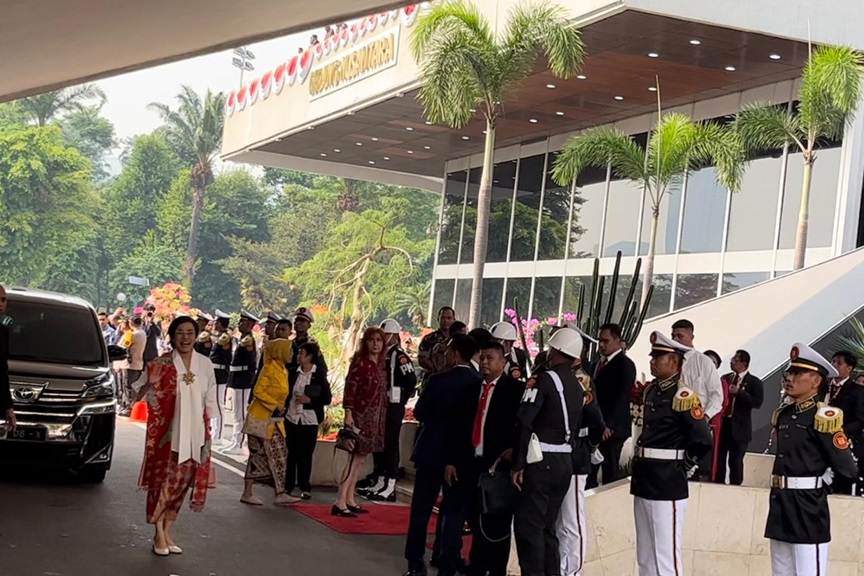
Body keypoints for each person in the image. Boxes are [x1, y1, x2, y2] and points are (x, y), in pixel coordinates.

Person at [766, 343, 858, 574]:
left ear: (816, 381)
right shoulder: (784, 414)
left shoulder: (824, 416)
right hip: (781, 503)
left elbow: (847, 468)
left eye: (797, 373)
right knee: (781, 570)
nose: (789, 378)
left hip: (808, 506)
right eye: (789, 372)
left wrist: (819, 487)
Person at [631, 331, 713, 576]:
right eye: (653, 356)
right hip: (645, 476)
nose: (652, 361)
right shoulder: (652, 391)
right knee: (645, 554)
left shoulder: (683, 396)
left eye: (659, 356)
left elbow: (702, 439)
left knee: (667, 557)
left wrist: (685, 466)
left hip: (667, 479)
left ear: (675, 362)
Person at [138, 316, 218, 556]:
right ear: (172, 336)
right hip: (168, 435)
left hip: (197, 433)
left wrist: (209, 432)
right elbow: (140, 392)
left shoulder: (205, 364)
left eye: (190, 332)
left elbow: (211, 398)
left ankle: (167, 530)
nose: (185, 337)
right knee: (164, 483)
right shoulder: (159, 364)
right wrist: (151, 387)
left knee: (182, 485)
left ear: (196, 336)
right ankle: (159, 534)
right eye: (180, 332)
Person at [404, 334, 481, 576]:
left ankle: (416, 562)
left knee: (421, 510)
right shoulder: (478, 383)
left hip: (431, 452)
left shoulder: (438, 381)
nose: (444, 355)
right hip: (460, 457)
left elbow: (420, 412)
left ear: (456, 353)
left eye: (447, 350)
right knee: (453, 511)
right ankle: (446, 560)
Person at [446, 340, 523, 576]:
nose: (485, 363)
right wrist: (451, 461)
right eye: (482, 358)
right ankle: (477, 566)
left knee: (497, 522)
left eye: (490, 358)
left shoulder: (515, 391)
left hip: (497, 467)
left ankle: (497, 569)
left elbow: (522, 427)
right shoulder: (471, 389)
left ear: (503, 361)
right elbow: (457, 428)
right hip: (470, 463)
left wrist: (514, 451)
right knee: (474, 517)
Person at [512, 328, 584, 576]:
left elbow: (524, 420)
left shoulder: (543, 379)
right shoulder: (577, 385)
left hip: (540, 461)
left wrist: (518, 464)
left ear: (553, 351)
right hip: (565, 461)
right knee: (548, 528)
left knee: (529, 528)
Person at [556, 334, 605, 576]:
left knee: (572, 519)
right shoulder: (554, 375)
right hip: (557, 454)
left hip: (576, 453)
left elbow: (596, 420)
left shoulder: (582, 380)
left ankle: (573, 570)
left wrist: (592, 447)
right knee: (557, 521)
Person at [334, 327, 387, 517]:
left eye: (379, 340)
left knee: (361, 459)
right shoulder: (360, 364)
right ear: (365, 343)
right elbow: (350, 389)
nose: (376, 344)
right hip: (360, 415)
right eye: (372, 340)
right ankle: (340, 500)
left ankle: (350, 497)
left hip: (374, 418)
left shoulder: (379, 365)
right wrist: (348, 412)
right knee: (353, 458)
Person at [240, 338, 298, 507]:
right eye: (289, 350)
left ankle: (278, 492)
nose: (292, 353)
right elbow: (258, 391)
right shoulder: (269, 368)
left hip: (274, 420)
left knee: (279, 454)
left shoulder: (283, 370)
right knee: (260, 455)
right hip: (260, 419)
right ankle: (250, 492)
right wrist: (275, 404)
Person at [364, 318, 417, 502]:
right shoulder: (383, 355)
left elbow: (411, 378)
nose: (381, 340)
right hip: (381, 405)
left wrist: (400, 398)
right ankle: (381, 479)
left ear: (394, 336)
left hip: (393, 406)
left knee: (390, 444)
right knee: (380, 443)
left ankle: (391, 483)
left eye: (385, 336)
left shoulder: (398, 355)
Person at [671, 319, 723, 481]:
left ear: (691, 336)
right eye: (673, 336)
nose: (676, 340)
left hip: (695, 426)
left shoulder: (704, 362)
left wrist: (704, 417)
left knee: (692, 474)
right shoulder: (669, 361)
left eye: (680, 335)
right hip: (672, 427)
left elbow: (717, 395)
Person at [589, 323, 636, 487]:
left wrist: (608, 425)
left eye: (606, 341)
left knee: (610, 471)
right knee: (591, 471)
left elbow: (621, 397)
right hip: (596, 426)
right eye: (599, 341)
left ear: (617, 340)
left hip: (613, 430)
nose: (601, 345)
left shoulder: (625, 364)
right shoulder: (597, 364)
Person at [285, 340, 332, 499]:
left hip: (309, 420)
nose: (299, 356)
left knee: (306, 454)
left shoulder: (319, 375)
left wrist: (310, 400)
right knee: (291, 453)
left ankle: (305, 486)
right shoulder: (292, 373)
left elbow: (326, 398)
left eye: (302, 354)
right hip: (292, 417)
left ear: (310, 356)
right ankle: (288, 486)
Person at [715, 350, 764, 485]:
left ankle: (735, 485)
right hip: (724, 423)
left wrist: (740, 393)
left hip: (740, 427)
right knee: (719, 457)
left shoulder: (754, 382)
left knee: (735, 460)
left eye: (735, 360)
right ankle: (718, 483)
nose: (732, 362)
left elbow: (757, 402)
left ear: (744, 363)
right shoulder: (725, 378)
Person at [822, 350, 864, 495]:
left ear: (849, 368)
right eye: (833, 361)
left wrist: (840, 430)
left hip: (843, 441)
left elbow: (860, 420)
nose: (834, 365)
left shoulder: (858, 391)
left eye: (839, 363)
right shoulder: (821, 387)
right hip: (819, 441)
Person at [222, 310, 259, 455]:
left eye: (243, 322)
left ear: (249, 324)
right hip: (237, 379)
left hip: (243, 380)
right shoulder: (243, 339)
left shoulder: (248, 340)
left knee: (241, 414)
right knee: (237, 413)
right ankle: (235, 441)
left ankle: (239, 443)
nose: (239, 324)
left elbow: (249, 363)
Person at [209, 310, 233, 444]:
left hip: (220, 374)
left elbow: (226, 359)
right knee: (214, 403)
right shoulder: (219, 337)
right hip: (214, 373)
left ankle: (218, 434)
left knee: (219, 404)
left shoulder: (225, 338)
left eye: (216, 322)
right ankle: (214, 431)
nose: (214, 324)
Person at [418, 306, 455, 378]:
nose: (446, 321)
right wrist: (436, 370)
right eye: (443, 318)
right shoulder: (429, 339)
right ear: (438, 319)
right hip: (432, 377)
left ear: (454, 320)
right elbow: (422, 359)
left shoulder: (457, 339)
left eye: (449, 318)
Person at [0, 285, 15, 433]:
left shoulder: (3, 332)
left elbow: (2, 372)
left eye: (3, 300)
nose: (0, 303)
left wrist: (8, 407)